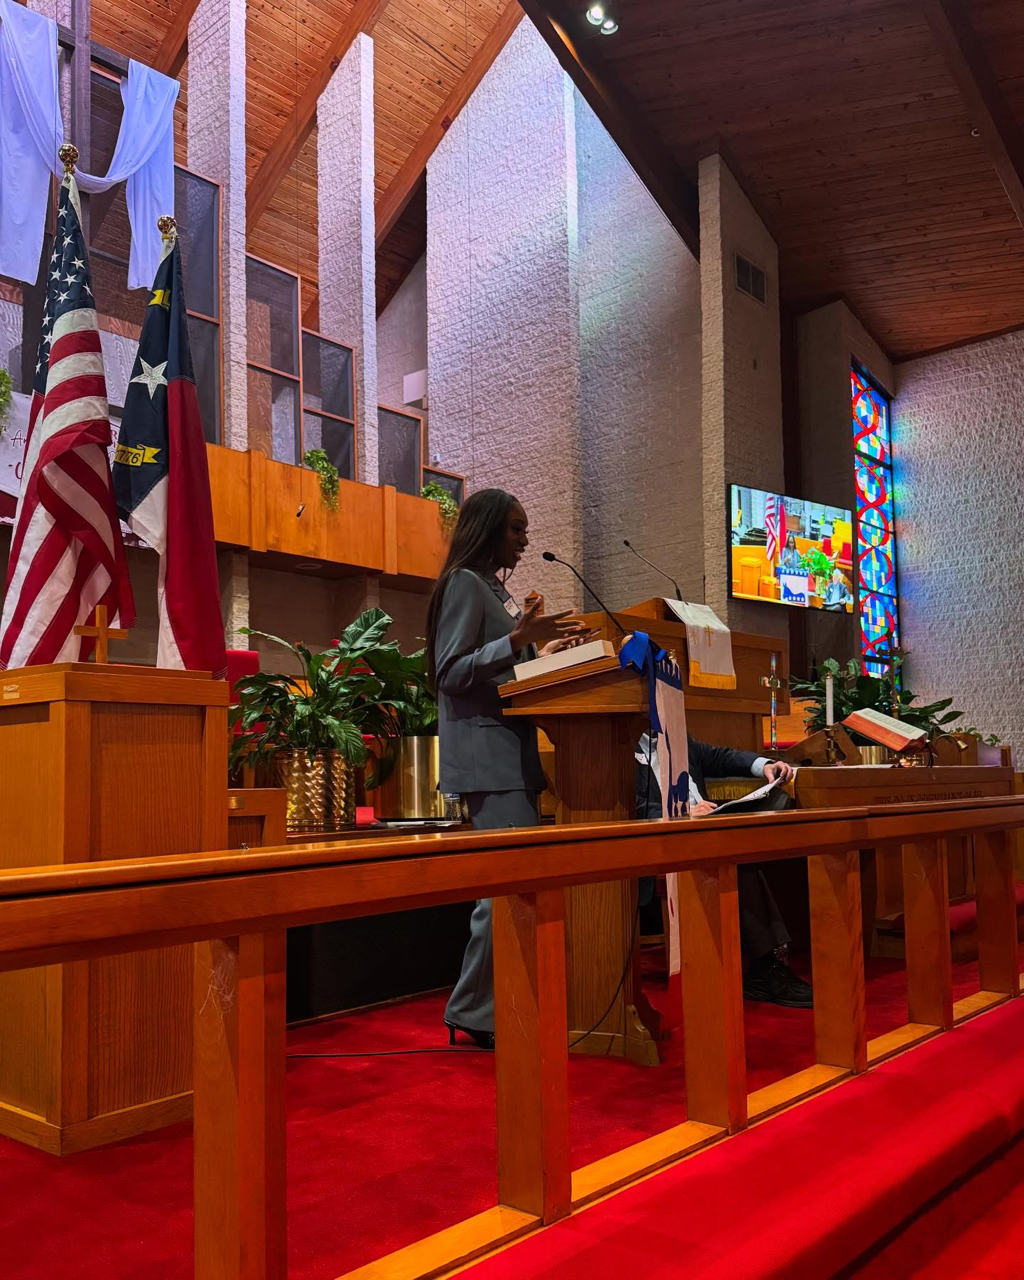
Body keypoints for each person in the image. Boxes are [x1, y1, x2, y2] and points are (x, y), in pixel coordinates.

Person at [426, 488, 584, 1049]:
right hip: (486, 758)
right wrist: (518, 640)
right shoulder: (465, 583)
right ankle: (474, 1009)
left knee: (511, 890)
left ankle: (488, 1003)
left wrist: (552, 653)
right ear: (489, 528)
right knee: (501, 892)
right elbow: (450, 670)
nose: (523, 540)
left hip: (510, 754)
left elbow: (506, 671)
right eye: (516, 529)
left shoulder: (496, 587)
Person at [635, 734, 814, 1008]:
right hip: (663, 840)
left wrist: (765, 765)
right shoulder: (617, 747)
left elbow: (721, 756)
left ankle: (785, 949)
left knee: (778, 809)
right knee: (735, 855)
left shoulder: (673, 735)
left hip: (706, 827)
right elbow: (629, 808)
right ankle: (764, 967)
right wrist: (683, 814)